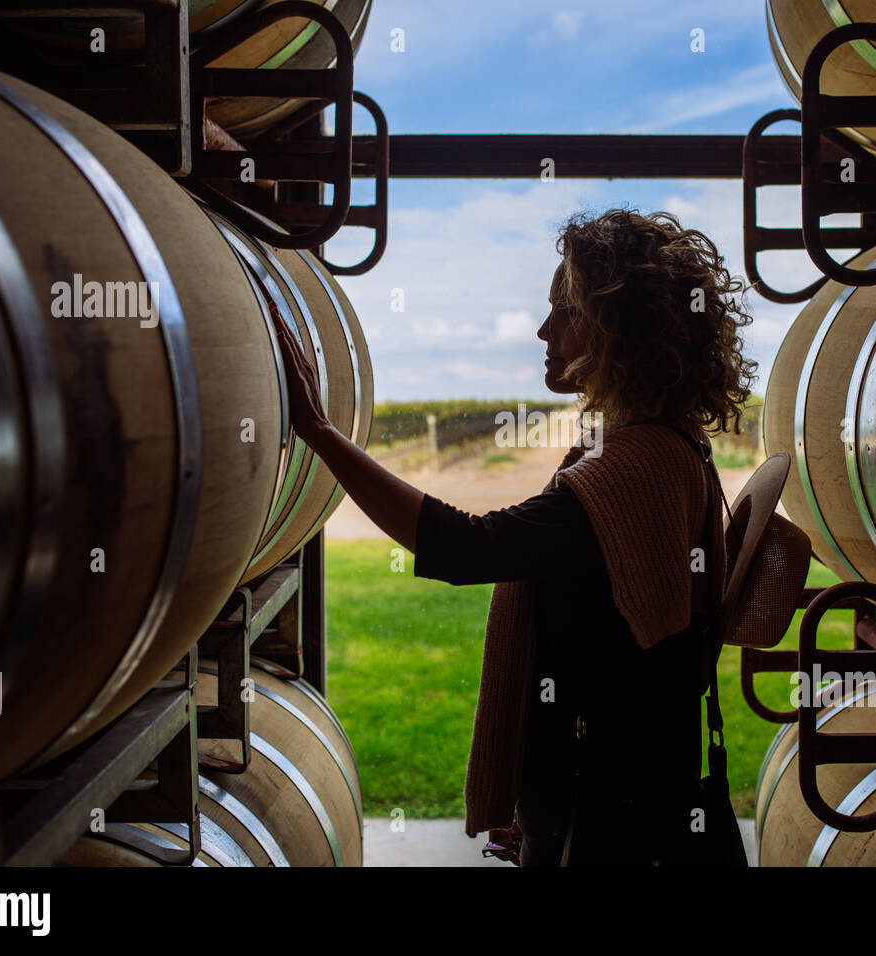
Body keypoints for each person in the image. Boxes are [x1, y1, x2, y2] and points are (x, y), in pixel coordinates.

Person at [270, 208, 757, 866]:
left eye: (566, 309)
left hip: (614, 818)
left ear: (619, 329)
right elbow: (597, 642)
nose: (542, 329)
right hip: (611, 796)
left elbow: (467, 546)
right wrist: (540, 803)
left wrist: (320, 434)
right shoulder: (662, 445)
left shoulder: (634, 469)